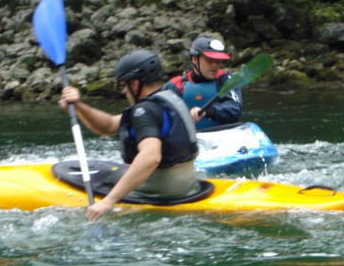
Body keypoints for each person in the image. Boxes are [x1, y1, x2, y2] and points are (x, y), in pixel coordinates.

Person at [59, 49, 199, 221]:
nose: (124, 91)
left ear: (134, 84)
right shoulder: (169, 99)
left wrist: (109, 201)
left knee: (104, 178)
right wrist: (78, 106)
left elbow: (151, 156)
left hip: (160, 190)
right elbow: (109, 125)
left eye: (124, 85)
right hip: (188, 186)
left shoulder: (144, 111)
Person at [164, 34, 243, 130]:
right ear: (194, 59)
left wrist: (209, 111)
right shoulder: (176, 85)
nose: (215, 65)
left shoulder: (226, 79)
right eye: (210, 60)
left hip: (223, 140)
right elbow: (158, 114)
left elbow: (235, 110)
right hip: (191, 142)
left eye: (218, 61)